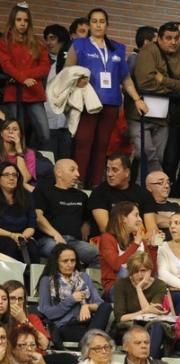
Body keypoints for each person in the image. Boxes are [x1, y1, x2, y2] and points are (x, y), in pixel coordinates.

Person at [65, 9, 147, 188]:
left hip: (111, 103)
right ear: (89, 24)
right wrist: (76, 80)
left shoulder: (117, 48)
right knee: (84, 142)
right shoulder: (80, 45)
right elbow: (67, 71)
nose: (98, 25)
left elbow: (125, 78)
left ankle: (95, 184)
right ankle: (78, 182)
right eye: (94, 21)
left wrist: (137, 99)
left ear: (107, 25)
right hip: (88, 102)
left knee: (102, 145)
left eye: (102, 21)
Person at [126, 22, 180, 175]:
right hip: (139, 113)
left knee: (158, 156)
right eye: (168, 38)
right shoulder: (148, 51)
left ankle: (146, 189)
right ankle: (150, 186)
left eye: (176, 38)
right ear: (159, 39)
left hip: (163, 115)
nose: (173, 42)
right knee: (146, 152)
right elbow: (145, 83)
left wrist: (164, 81)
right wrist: (172, 88)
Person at [36, 243, 110, 345]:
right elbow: (47, 313)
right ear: (56, 262)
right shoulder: (47, 280)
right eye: (65, 261)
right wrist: (71, 299)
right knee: (96, 336)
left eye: (73, 260)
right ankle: (90, 341)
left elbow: (99, 304)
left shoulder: (83, 277)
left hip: (87, 323)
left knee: (106, 306)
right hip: (65, 326)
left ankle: (88, 341)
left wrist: (87, 306)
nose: (70, 264)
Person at [0, 4, 49, 150]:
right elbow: (6, 65)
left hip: (34, 91)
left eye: (26, 20)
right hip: (13, 92)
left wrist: (23, 77)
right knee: (15, 135)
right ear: (12, 21)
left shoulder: (38, 42)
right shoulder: (4, 42)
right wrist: (22, 79)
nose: (22, 23)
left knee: (44, 133)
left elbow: (45, 67)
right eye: (18, 20)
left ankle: (38, 160)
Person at [34, 159, 97, 265]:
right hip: (49, 240)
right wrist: (55, 235)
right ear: (58, 173)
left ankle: (89, 281)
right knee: (60, 251)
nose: (78, 174)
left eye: (77, 170)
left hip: (75, 242)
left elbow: (86, 220)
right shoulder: (42, 190)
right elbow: (38, 217)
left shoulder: (82, 196)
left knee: (97, 254)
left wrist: (86, 228)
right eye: (72, 170)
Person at [86, 153, 157, 237]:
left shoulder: (143, 194)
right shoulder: (99, 193)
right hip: (110, 242)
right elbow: (105, 228)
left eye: (114, 170)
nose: (109, 174)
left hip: (139, 240)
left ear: (127, 172)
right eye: (108, 169)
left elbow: (152, 229)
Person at [97, 200, 156, 293]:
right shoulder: (107, 238)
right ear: (123, 218)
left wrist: (153, 248)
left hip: (140, 286)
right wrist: (135, 244)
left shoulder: (139, 240)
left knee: (160, 284)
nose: (140, 219)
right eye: (136, 215)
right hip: (115, 287)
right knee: (125, 273)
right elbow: (117, 265)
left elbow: (151, 271)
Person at [0, 161, 35, 263]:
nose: (11, 178)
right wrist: (12, 235)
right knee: (10, 246)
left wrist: (22, 237)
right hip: (3, 236)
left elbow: (31, 225)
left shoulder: (26, 196)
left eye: (14, 175)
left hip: (22, 236)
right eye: (6, 175)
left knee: (32, 248)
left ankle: (31, 278)